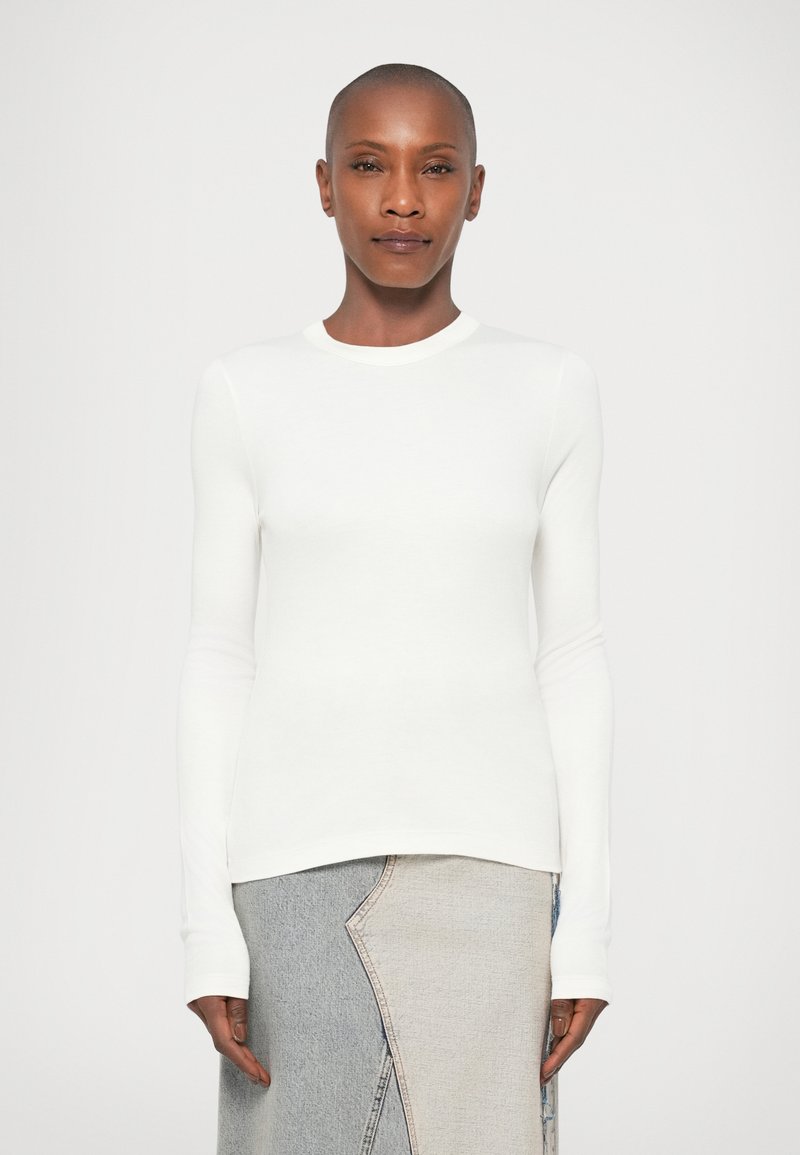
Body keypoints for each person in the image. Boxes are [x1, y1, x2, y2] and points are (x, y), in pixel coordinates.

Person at [177, 61, 613, 1155]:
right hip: (289, 871)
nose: (404, 200)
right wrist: (204, 930)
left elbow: (571, 655)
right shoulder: (245, 390)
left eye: (437, 167)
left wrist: (588, 932)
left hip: (493, 870)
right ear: (325, 185)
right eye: (370, 166)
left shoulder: (548, 386)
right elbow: (218, 657)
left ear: (477, 189)